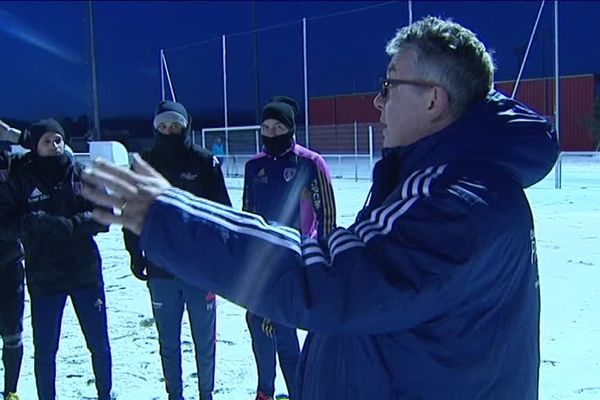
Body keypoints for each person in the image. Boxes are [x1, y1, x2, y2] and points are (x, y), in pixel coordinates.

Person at [81, 16, 559, 400]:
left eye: (390, 85)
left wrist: (170, 216)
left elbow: (327, 275)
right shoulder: (433, 178)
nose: (378, 101)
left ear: (434, 98)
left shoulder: (458, 199)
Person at [123, 100, 231, 400]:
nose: (169, 131)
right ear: (155, 129)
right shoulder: (142, 164)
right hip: (161, 268)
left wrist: (219, 260)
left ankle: (205, 394)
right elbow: (132, 212)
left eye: (175, 125)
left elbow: (223, 215)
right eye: (163, 126)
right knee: (168, 341)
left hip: (200, 271)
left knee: (204, 340)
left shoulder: (204, 162)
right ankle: (175, 395)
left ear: (186, 126)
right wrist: (134, 252)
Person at [0, 119, 113, 400]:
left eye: (58, 140)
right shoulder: (22, 179)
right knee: (46, 349)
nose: (54, 146)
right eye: (47, 141)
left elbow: (104, 214)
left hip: (84, 272)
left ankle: (105, 393)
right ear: (36, 146)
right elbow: (5, 223)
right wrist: (34, 225)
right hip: (45, 277)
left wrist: (72, 225)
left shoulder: (81, 174)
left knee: (98, 343)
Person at [243, 96, 336, 400]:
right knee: (256, 322)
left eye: (278, 127)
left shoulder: (309, 163)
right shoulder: (253, 166)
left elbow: (327, 217)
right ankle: (265, 391)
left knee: (283, 329)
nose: (271, 133)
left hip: (295, 261)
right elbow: (246, 214)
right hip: (260, 262)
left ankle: (299, 391)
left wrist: (321, 261)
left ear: (290, 129)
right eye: (266, 127)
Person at [0, 145, 25, 400]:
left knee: (11, 333)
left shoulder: (11, 161)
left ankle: (11, 391)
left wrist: (13, 135)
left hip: (8, 262)